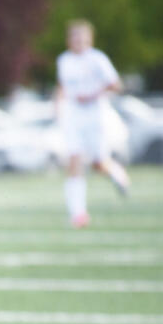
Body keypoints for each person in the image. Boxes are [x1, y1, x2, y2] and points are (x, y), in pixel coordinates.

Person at [55, 19, 130, 229]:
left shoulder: (97, 59)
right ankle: (78, 214)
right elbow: (61, 86)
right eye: (74, 36)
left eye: (81, 36)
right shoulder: (64, 60)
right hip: (73, 116)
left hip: (95, 115)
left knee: (98, 164)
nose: (77, 41)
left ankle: (117, 174)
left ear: (89, 39)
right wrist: (57, 107)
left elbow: (116, 85)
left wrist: (93, 94)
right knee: (74, 159)